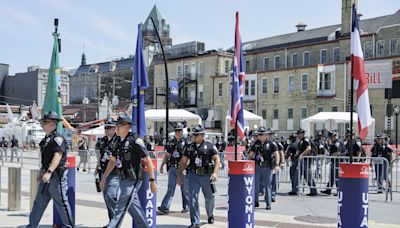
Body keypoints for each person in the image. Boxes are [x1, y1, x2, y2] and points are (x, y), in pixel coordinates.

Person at [100, 113, 157, 228]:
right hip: (122, 178)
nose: (116, 128)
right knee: (134, 207)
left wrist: (152, 181)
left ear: (127, 127)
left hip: (133, 179)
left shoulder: (135, 140)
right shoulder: (117, 140)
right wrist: (104, 178)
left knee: (120, 207)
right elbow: (112, 161)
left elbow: (148, 161)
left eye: (119, 126)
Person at [27, 111, 74, 227]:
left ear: (53, 124)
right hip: (47, 176)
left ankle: (69, 226)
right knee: (39, 203)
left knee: (62, 203)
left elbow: (57, 156)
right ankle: (32, 225)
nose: (43, 125)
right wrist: (42, 170)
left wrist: (49, 172)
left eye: (45, 122)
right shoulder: (47, 139)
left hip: (55, 176)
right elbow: (46, 158)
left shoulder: (58, 139)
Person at [177, 125, 220, 228]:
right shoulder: (189, 146)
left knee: (209, 198)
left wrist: (215, 173)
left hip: (206, 175)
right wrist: (179, 175)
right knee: (193, 198)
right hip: (193, 175)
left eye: (196, 135)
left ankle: (210, 214)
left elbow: (217, 159)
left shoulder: (209, 146)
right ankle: (195, 222)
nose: (194, 136)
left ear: (202, 135)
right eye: (193, 134)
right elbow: (183, 161)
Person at [158, 123, 189, 214]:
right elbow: (167, 155)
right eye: (176, 131)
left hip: (182, 168)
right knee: (170, 188)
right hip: (173, 167)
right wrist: (162, 165)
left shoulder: (186, 142)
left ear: (182, 131)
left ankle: (186, 206)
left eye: (179, 131)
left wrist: (186, 167)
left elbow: (188, 157)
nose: (177, 132)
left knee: (185, 189)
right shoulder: (171, 142)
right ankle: (165, 207)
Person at [247, 127, 279, 210]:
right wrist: (247, 162)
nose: (259, 136)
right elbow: (250, 154)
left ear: (265, 135)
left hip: (267, 167)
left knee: (267, 185)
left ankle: (268, 203)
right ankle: (255, 201)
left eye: (261, 134)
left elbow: (276, 154)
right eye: (258, 134)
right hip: (257, 167)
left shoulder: (271, 144)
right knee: (256, 185)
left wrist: (277, 165)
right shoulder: (256, 143)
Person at [95, 118, 119, 225]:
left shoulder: (118, 140)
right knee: (106, 198)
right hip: (103, 171)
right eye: (106, 127)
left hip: (114, 173)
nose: (106, 129)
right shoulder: (103, 141)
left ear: (114, 128)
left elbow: (114, 160)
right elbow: (101, 155)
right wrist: (97, 168)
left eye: (109, 127)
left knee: (110, 195)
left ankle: (115, 220)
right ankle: (112, 221)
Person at [292, 128, 317, 196]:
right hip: (302, 160)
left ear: (302, 134)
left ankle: (313, 190)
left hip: (305, 160)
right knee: (298, 174)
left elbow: (309, 148)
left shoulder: (305, 140)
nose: (298, 135)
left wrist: (302, 155)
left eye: (299, 134)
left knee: (308, 175)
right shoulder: (301, 141)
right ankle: (295, 190)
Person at [321, 131, 345, 195]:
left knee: (337, 177)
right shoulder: (338, 141)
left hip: (337, 162)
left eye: (331, 137)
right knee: (332, 176)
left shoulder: (337, 142)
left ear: (334, 136)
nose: (331, 139)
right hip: (335, 161)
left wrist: (330, 156)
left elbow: (338, 152)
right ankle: (328, 190)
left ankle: (339, 191)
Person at [271, 129, 284, 202]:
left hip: (275, 164)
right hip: (267, 164)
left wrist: (282, 162)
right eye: (269, 134)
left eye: (272, 134)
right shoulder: (266, 143)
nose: (270, 135)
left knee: (274, 180)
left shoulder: (277, 143)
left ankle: (273, 195)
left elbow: (281, 153)